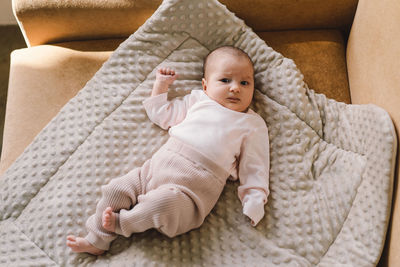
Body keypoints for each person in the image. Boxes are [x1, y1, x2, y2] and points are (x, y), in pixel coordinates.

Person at [66, 46, 270, 255]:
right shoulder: (198, 101)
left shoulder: (251, 123)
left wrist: (254, 199)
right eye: (225, 80)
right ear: (205, 85)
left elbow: (256, 166)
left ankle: (121, 223)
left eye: (245, 83)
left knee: (162, 203)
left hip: (188, 194)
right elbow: (162, 114)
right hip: (152, 171)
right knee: (115, 189)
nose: (235, 88)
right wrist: (161, 86)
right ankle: (97, 239)